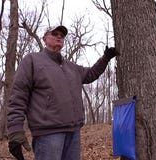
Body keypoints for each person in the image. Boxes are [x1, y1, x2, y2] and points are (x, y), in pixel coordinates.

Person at [7, 25, 119, 160]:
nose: (59, 37)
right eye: (55, 34)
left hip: (74, 132)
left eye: (62, 35)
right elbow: (19, 95)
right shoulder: (32, 60)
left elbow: (91, 74)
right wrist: (15, 129)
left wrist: (105, 58)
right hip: (47, 134)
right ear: (45, 38)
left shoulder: (71, 67)